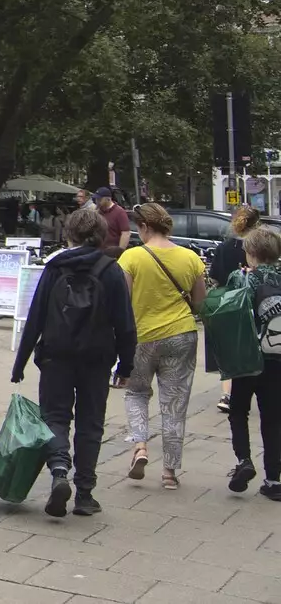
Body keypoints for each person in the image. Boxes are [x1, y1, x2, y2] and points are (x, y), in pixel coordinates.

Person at [12, 205, 136, 518]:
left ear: (69, 234)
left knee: (55, 417)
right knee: (90, 423)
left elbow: (36, 317)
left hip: (55, 356)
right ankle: (85, 494)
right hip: (96, 359)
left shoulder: (55, 268)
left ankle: (58, 473)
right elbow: (125, 324)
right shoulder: (111, 271)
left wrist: (20, 364)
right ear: (100, 235)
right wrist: (125, 366)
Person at [118, 202, 207, 490]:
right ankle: (169, 473)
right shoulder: (191, 258)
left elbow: (123, 304)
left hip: (143, 337)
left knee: (136, 393)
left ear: (144, 226)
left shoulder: (131, 258)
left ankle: (141, 446)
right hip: (182, 335)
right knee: (174, 403)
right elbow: (200, 304)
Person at [227, 226, 281, 500]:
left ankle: (243, 461)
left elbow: (231, 311)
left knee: (238, 410)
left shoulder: (242, 277)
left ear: (251, 253)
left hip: (247, 356)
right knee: (273, 418)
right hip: (277, 358)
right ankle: (273, 480)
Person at [208, 204, 261, 413]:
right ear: (256, 224)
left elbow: (214, 279)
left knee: (230, 349)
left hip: (228, 304)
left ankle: (227, 394)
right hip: (255, 303)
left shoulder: (224, 248)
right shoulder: (259, 247)